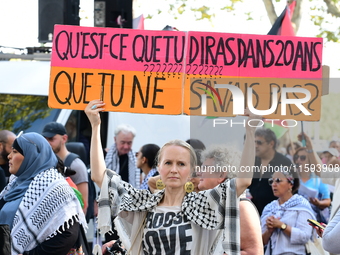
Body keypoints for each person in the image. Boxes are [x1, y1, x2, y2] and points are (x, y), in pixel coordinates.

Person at [85, 100, 258, 255]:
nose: (174, 169)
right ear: (158, 167)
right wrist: (95, 126)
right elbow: (99, 175)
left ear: (191, 171)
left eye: (181, 164)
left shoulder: (202, 204)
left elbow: (243, 181)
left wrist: (250, 132)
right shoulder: (144, 202)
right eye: (168, 163)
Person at [0, 132, 86, 255]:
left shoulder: (55, 187)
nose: (9, 156)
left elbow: (68, 234)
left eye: (15, 151)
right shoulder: (14, 184)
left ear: (32, 155)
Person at [197, 144, 263, 255]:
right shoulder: (213, 206)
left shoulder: (242, 206)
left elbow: (253, 252)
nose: (199, 172)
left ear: (221, 175)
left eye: (205, 168)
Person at [261, 170, 315, 255]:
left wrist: (282, 226)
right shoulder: (269, 208)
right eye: (271, 181)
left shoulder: (301, 204)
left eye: (278, 180)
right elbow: (261, 242)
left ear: (290, 184)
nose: (274, 184)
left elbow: (305, 236)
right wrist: (269, 231)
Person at [42, 122, 89, 214]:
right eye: (44, 139)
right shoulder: (44, 162)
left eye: (51, 139)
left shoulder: (76, 165)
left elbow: (83, 205)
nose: (47, 143)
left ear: (64, 139)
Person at [249, 128, 293, 215]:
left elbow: (293, 189)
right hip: (254, 213)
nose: (256, 145)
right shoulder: (252, 161)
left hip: (276, 215)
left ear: (271, 143)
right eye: (254, 142)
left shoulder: (284, 162)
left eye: (259, 142)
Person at [294, 147, 331, 223]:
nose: (298, 160)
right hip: (295, 219)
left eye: (302, 158)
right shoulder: (291, 177)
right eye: (296, 157)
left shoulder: (318, 179)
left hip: (313, 219)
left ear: (310, 160)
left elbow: (327, 201)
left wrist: (318, 203)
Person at [104, 124, 140, 188]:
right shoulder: (105, 156)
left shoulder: (136, 158)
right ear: (115, 139)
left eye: (129, 143)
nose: (126, 146)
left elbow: (139, 181)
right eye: (122, 142)